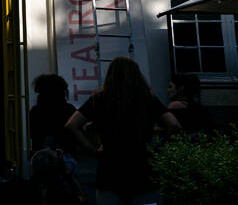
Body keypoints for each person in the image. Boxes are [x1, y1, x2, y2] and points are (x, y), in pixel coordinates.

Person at [66, 57, 181, 204]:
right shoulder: (147, 99)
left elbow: (71, 125)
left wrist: (93, 151)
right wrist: (158, 149)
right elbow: (174, 125)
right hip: (143, 169)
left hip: (110, 170)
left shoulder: (99, 99)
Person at [29, 74, 77, 156]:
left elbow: (32, 135)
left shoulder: (35, 111)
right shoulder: (69, 110)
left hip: (41, 159)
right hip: (66, 159)